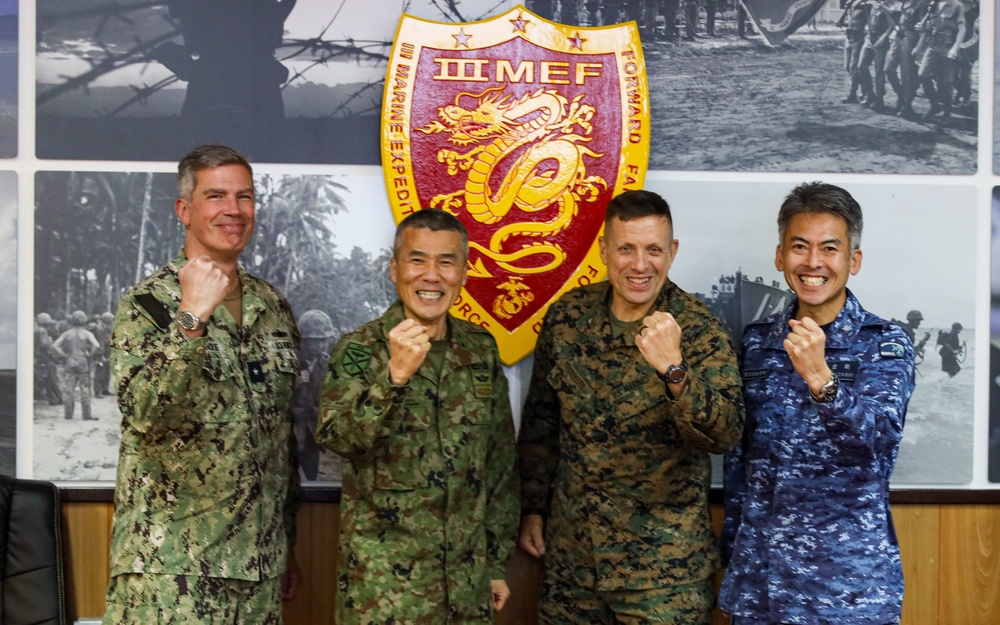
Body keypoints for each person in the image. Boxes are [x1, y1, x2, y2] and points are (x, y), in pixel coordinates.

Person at [518, 189, 744, 624]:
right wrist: (532, 507)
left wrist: (676, 373)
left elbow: (726, 432)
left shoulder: (697, 328)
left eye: (654, 249)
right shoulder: (568, 319)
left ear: (672, 252)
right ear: (604, 250)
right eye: (626, 248)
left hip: (663, 576)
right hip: (573, 565)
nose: (640, 265)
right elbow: (542, 423)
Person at [102, 144, 302, 625]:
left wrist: (284, 541)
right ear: (184, 210)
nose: (233, 210)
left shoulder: (272, 306)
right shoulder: (148, 304)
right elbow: (147, 412)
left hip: (258, 571)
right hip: (171, 573)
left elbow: (278, 436)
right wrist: (191, 317)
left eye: (244, 196)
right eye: (216, 196)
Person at [720, 182, 915, 625]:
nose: (813, 262)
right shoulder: (757, 342)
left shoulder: (884, 345)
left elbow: (877, 446)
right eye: (799, 247)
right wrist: (734, 553)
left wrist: (821, 379)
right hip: (760, 585)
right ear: (779, 256)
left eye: (829, 248)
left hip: (844, 589)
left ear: (853, 260)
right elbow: (740, 461)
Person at [316, 209, 519, 624]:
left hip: (466, 587)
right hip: (385, 593)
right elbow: (339, 439)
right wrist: (392, 379)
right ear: (395, 269)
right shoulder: (360, 349)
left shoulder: (479, 351)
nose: (431, 276)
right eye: (417, 260)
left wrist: (495, 563)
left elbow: (498, 462)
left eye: (446, 262)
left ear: (463, 272)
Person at [292, 309, 338, 481]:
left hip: (312, 428)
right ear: (304, 340)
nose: (318, 346)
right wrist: (295, 382)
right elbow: (270, 392)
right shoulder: (290, 359)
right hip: (290, 429)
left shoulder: (325, 362)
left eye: (322, 341)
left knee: (312, 476)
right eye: (313, 341)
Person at [914, 0, 966, 121]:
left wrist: (955, 48)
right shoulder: (932, 4)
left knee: (946, 83)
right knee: (923, 75)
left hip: (948, 47)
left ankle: (947, 113)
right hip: (933, 45)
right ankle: (934, 105)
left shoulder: (957, 5)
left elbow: (962, 29)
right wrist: (921, 27)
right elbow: (928, 27)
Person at [884, 0, 930, 118]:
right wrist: (883, 7)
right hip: (898, 37)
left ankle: (907, 105)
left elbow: (924, 27)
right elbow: (896, 14)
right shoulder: (904, 2)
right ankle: (901, 96)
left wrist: (919, 46)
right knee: (888, 68)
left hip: (910, 38)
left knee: (907, 74)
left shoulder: (921, 4)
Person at [52, 310, 100, 421]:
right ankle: (86, 414)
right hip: (82, 360)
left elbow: (55, 346)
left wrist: (64, 355)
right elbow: (96, 345)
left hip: (70, 359)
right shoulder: (87, 333)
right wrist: (89, 354)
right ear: (84, 320)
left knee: (69, 388)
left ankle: (68, 414)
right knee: (85, 388)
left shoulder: (67, 334)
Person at [34, 312, 62, 405]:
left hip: (38, 357)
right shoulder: (42, 331)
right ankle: (58, 398)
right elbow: (45, 346)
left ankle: (53, 399)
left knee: (46, 379)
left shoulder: (35, 329)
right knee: (52, 379)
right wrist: (54, 357)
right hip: (45, 357)